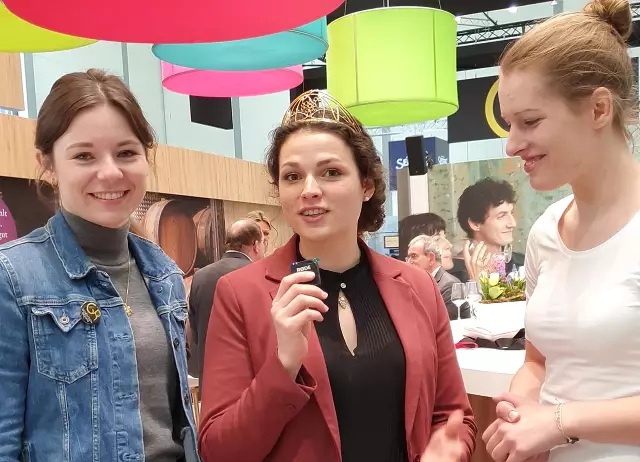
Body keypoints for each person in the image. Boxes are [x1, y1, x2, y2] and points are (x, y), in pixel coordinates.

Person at [197, 90, 476, 462]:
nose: (310, 190)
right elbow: (219, 451)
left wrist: (448, 452)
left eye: (331, 172)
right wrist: (283, 365)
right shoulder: (239, 293)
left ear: (366, 185)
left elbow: (454, 416)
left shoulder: (417, 286)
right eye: (293, 176)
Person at [0, 69, 199, 461]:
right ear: (49, 164)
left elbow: (174, 423)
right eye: (84, 155)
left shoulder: (165, 275)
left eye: (126, 152)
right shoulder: (14, 277)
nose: (109, 172)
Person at [481, 1, 640, 461]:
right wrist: (520, 405)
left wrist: (557, 421)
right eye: (510, 124)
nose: (512, 144)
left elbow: (558, 415)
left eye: (530, 122)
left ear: (598, 109)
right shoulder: (546, 233)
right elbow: (538, 360)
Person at [188, 218, 265, 386]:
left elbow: (194, 329)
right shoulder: (257, 274)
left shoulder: (200, 276)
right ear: (256, 245)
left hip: (209, 377)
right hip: (248, 378)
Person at [452, 178, 522, 283]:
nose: (512, 224)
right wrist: (476, 283)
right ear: (475, 224)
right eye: (501, 216)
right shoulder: (454, 275)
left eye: (511, 213)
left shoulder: (522, 263)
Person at [406, 234, 468, 320]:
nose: (409, 262)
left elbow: (440, 323)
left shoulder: (450, 285)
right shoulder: (416, 282)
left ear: (431, 258)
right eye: (408, 258)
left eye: (413, 256)